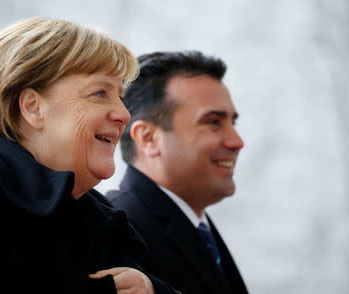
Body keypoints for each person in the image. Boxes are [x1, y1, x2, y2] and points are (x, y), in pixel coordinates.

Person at [0, 17, 179, 294]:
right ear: (33, 108)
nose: (124, 115)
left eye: (120, 96)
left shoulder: (98, 215)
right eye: (100, 93)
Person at [106, 51, 249, 294]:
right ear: (148, 138)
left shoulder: (194, 224)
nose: (237, 141)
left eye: (232, 123)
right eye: (213, 122)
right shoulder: (117, 230)